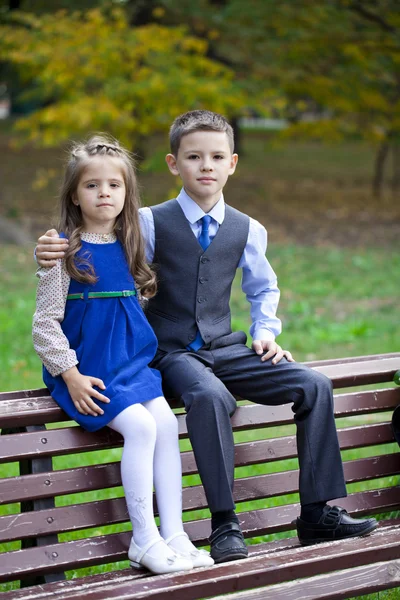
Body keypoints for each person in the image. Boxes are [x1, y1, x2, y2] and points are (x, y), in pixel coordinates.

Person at [36, 112, 378, 564]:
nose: (206, 166)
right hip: (171, 350)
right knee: (209, 395)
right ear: (174, 163)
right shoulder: (147, 222)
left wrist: (266, 332)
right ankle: (224, 524)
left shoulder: (247, 228)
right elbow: (94, 238)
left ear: (233, 163)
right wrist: (47, 248)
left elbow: (264, 286)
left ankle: (317, 511)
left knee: (312, 384)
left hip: (228, 347)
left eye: (217, 157)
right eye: (194, 157)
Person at [32, 134, 214, 574]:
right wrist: (70, 375)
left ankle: (174, 533)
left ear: (127, 192)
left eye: (114, 185)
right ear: (75, 195)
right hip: (88, 371)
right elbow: (43, 324)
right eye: (92, 185)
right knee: (140, 428)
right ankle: (144, 539)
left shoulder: (131, 243)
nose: (104, 193)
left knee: (167, 424)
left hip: (131, 366)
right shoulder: (62, 251)